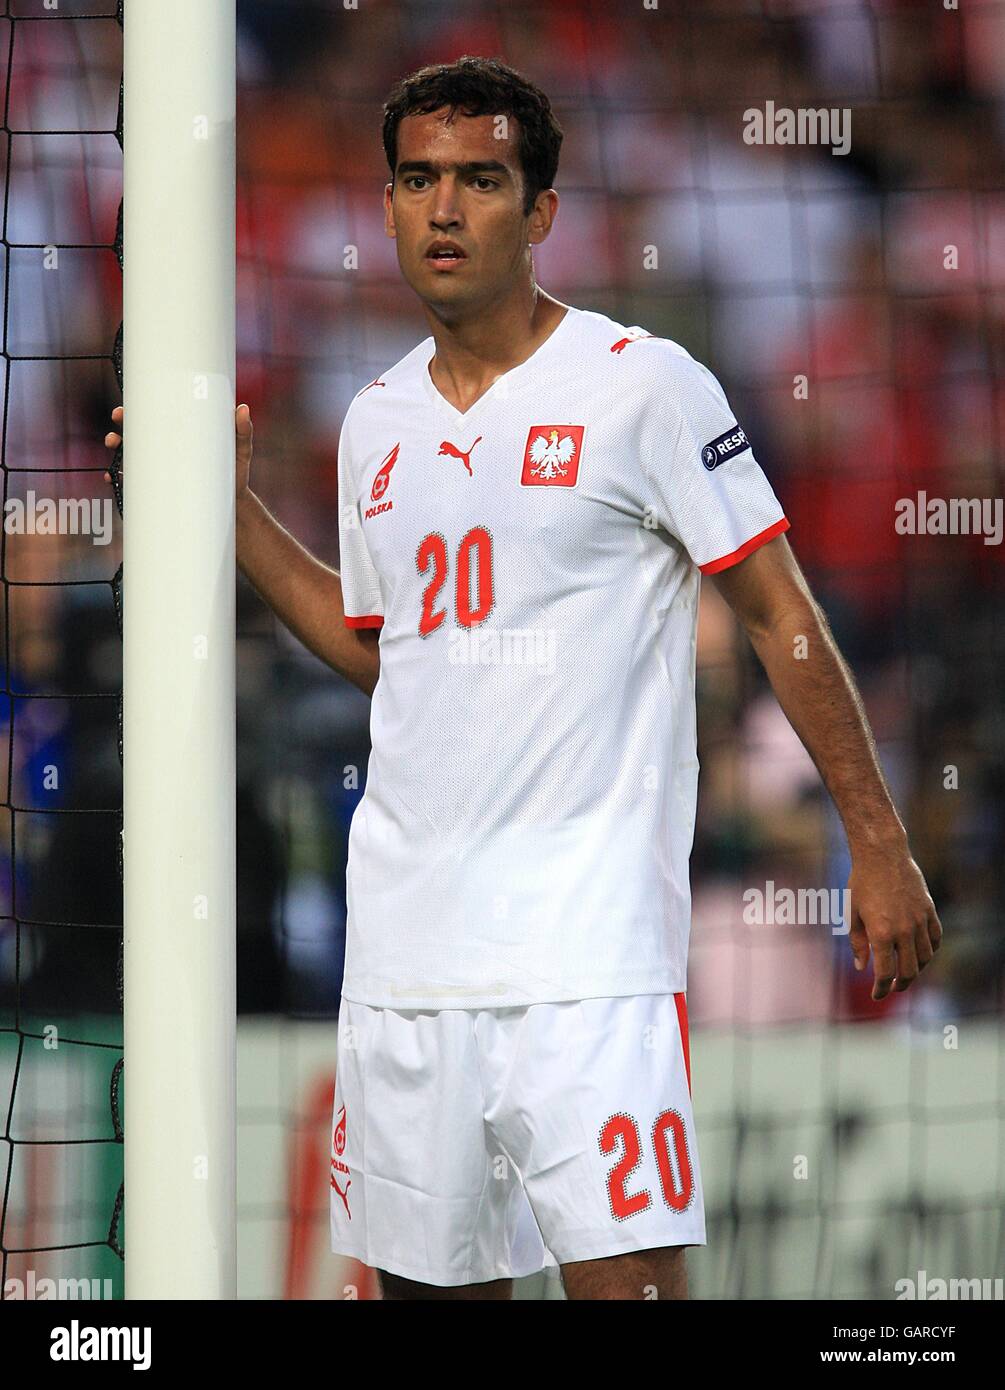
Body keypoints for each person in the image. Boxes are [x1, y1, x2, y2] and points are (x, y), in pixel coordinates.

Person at [105, 55, 941, 1302]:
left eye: (481, 180)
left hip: (586, 961)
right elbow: (378, 645)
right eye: (418, 179)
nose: (444, 209)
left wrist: (876, 840)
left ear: (541, 212)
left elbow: (778, 611)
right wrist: (227, 512)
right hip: (404, 964)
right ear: (385, 205)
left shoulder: (643, 386)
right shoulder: (375, 422)